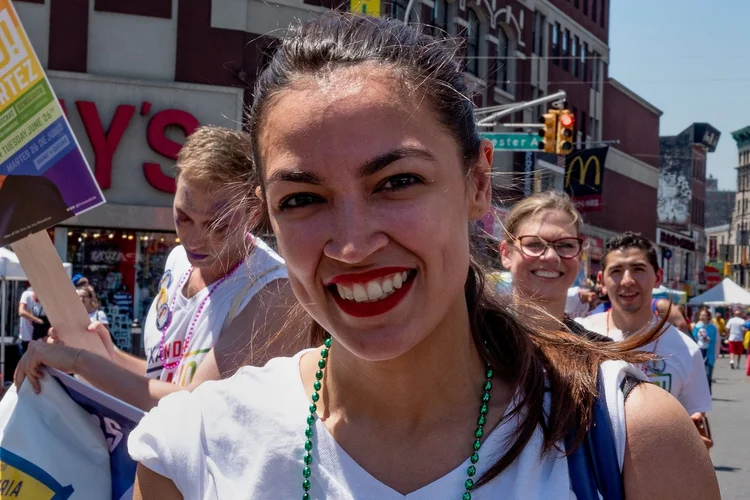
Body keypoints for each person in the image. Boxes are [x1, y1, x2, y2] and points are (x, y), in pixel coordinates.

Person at [128, 14, 718, 499]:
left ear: (478, 183)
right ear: (267, 216)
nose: (354, 244)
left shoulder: (631, 444)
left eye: (397, 182)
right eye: (303, 199)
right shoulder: (192, 452)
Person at [14, 126, 299, 411]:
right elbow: (160, 377)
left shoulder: (274, 290)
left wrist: (83, 362)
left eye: (218, 226)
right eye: (183, 217)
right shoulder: (177, 260)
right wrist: (104, 355)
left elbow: (194, 406)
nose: (194, 239)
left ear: (255, 212)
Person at [577, 232, 713, 447]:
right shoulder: (579, 337)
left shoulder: (686, 349)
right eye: (616, 271)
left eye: (638, 269)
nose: (627, 280)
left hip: (657, 472)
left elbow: (697, 422)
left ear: (658, 277)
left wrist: (696, 445)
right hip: (593, 473)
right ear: (601, 280)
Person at [499, 191, 603, 334]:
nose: (551, 256)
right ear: (506, 254)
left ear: (579, 258)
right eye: (535, 244)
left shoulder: (599, 353)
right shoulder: (471, 342)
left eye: (566, 245)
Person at [692, 308, 718, 393]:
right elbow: (693, 339)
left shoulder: (712, 327)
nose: (702, 317)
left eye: (704, 315)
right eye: (701, 315)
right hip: (699, 353)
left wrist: (709, 340)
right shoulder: (696, 327)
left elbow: (715, 341)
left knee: (708, 374)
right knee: (697, 375)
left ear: (708, 317)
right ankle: (699, 393)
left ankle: (708, 393)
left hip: (709, 354)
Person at [17, 286, 44, 353]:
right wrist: (36, 320)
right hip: (25, 339)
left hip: (38, 340)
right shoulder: (26, 295)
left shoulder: (44, 303)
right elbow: (21, 311)